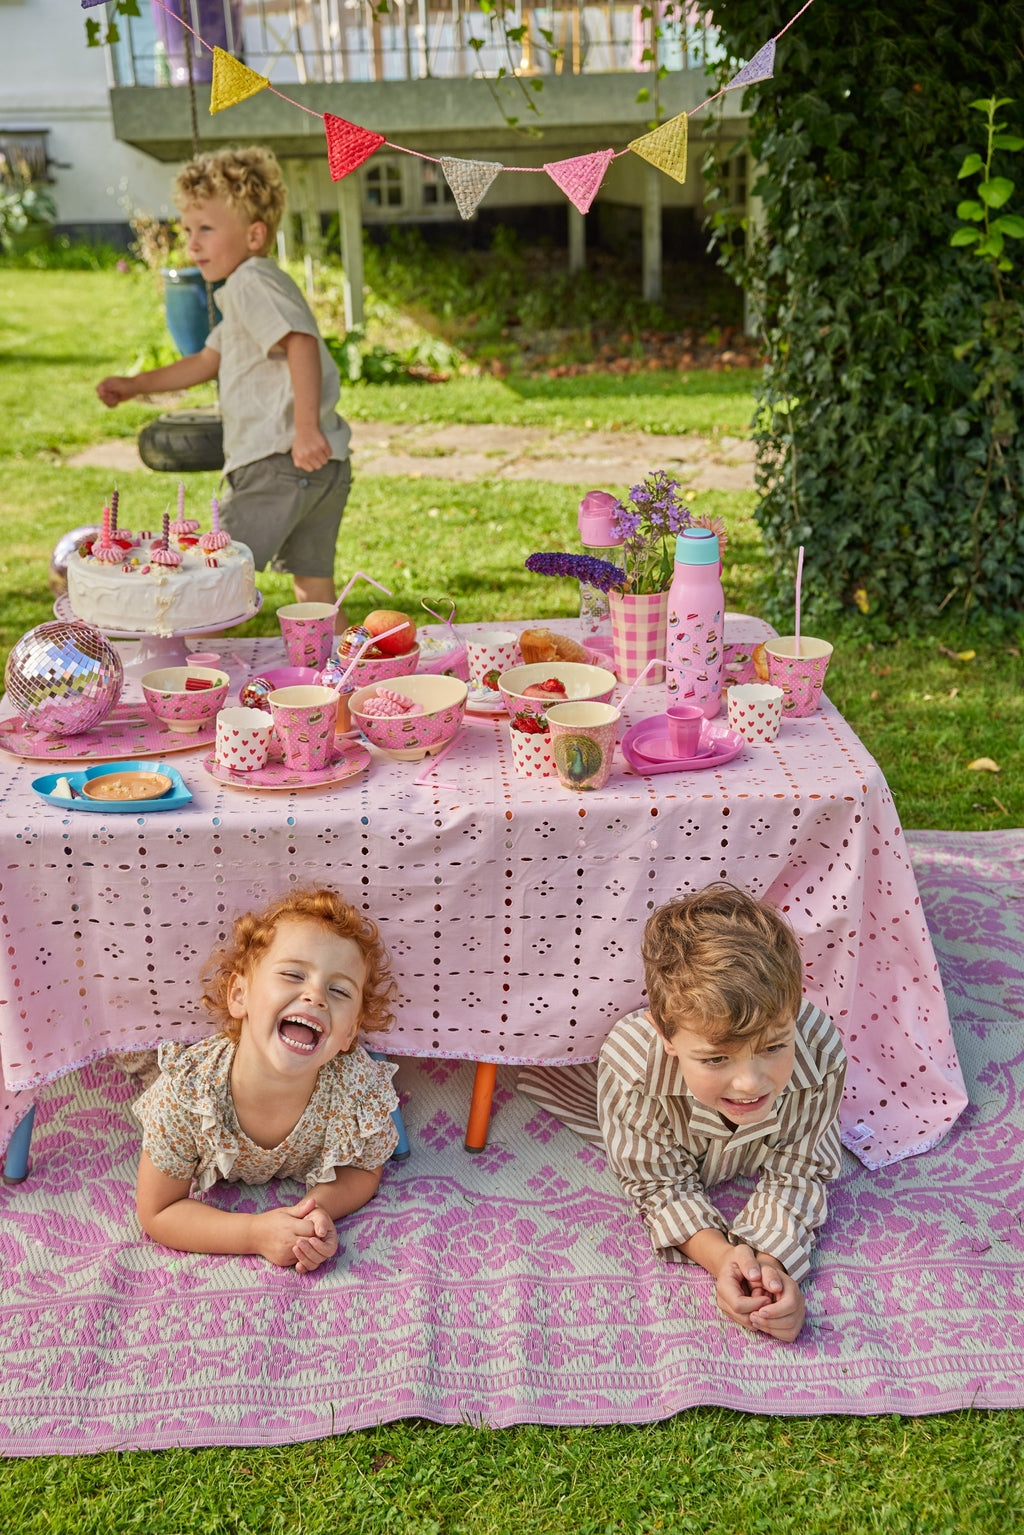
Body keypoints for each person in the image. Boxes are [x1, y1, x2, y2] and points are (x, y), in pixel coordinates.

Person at [96, 146, 351, 612]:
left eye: (207, 229)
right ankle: (335, 671)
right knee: (314, 589)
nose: (192, 244)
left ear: (255, 235)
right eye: (188, 229)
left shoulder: (251, 282)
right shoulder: (251, 288)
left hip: (277, 462)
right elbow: (205, 362)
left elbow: (301, 343)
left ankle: (192, 677)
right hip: (322, 467)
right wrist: (136, 386)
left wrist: (305, 428)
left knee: (211, 580)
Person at [597, 884, 846, 1342]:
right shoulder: (632, 1069)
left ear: (794, 1010)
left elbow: (801, 1170)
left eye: (773, 1047)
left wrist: (768, 1268)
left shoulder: (821, 1051)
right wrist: (722, 1258)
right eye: (715, 1059)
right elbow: (659, 1186)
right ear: (665, 1033)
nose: (751, 1083)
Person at [133, 887, 399, 1273]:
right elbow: (159, 1210)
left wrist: (313, 1213)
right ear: (240, 995)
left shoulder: (356, 1089)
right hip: (181, 1070)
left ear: (348, 1034)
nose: (315, 996)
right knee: (140, 1065)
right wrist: (254, 1233)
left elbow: (363, 1170)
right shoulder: (186, 1095)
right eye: (293, 974)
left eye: (339, 990)